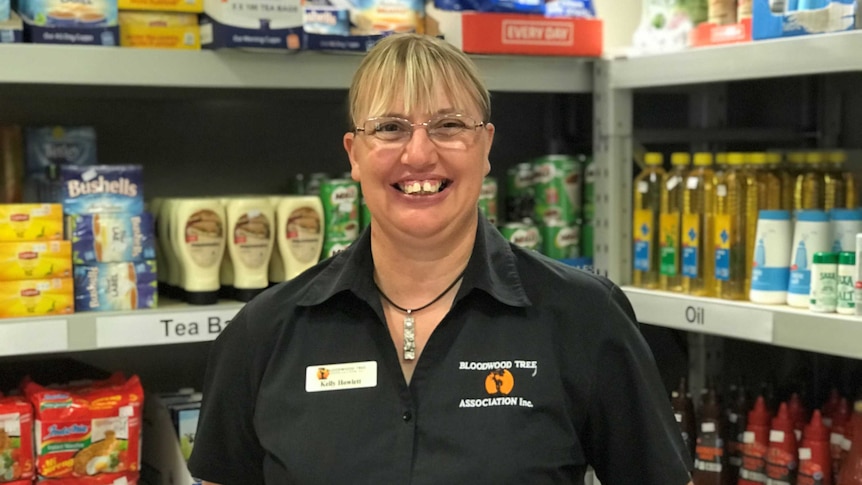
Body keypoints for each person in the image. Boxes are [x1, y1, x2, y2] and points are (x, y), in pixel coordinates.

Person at [188, 33, 693, 485]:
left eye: (449, 124)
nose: (419, 154)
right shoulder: (265, 332)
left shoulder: (583, 318)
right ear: (354, 155)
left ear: (486, 147)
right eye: (389, 128)